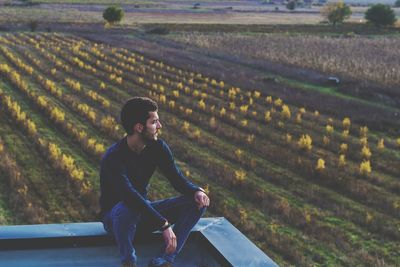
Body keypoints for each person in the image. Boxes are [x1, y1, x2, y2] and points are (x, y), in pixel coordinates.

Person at [99, 97, 210, 267]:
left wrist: (196, 191)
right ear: (139, 127)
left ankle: (164, 259)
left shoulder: (158, 147)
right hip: (116, 221)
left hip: (142, 214)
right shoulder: (113, 157)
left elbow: (176, 178)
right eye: (154, 122)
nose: (160, 126)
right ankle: (129, 262)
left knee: (196, 203)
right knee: (126, 207)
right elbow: (129, 196)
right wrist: (163, 224)